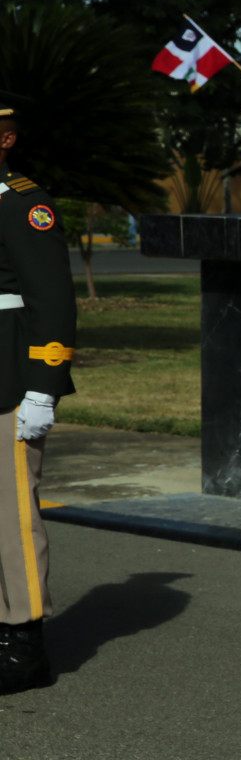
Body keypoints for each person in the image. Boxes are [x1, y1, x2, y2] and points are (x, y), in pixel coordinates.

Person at [0, 98, 77, 696]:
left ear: (6, 139)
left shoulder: (22, 202)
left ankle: (24, 642)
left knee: (12, 512)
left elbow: (51, 296)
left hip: (7, 371)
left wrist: (43, 387)